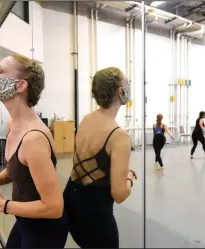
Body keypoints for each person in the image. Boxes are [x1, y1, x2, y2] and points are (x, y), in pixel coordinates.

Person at [0, 54, 68, 248]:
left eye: (0, 71)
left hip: (45, 231)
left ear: (20, 86)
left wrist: (2, 206)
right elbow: (18, 168)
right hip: (24, 222)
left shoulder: (33, 138)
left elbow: (54, 207)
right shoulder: (13, 124)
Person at [63, 67, 137, 248]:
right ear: (120, 92)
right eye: (127, 83)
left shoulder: (87, 119)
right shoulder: (119, 136)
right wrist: (129, 177)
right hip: (96, 214)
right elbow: (119, 194)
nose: (128, 87)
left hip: (71, 202)